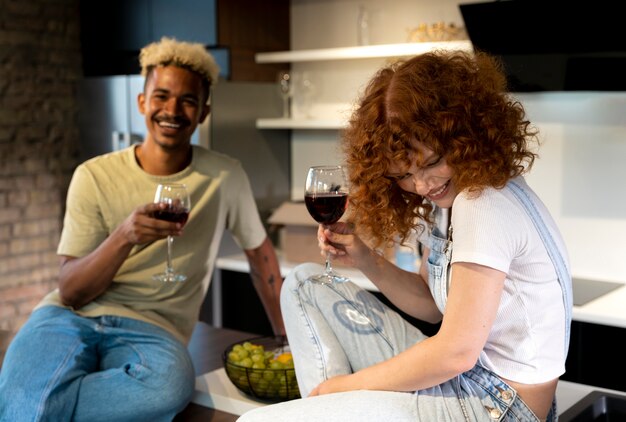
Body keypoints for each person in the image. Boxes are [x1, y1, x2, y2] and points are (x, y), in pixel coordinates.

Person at [238, 50, 572, 422]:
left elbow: (455, 352)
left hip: (498, 408)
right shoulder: (451, 196)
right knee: (303, 284)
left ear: (463, 133)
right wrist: (365, 257)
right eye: (402, 174)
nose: (421, 184)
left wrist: (348, 387)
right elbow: (431, 305)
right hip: (470, 381)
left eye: (430, 164)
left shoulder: (483, 203)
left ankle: (322, 407)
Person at [0, 37, 285, 421]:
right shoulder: (93, 175)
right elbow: (70, 290)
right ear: (141, 102)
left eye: (188, 100)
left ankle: (43, 401)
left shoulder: (224, 175)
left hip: (153, 329)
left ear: (204, 113)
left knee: (169, 387)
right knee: (21, 390)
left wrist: (288, 341)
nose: (172, 109)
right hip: (68, 317)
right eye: (162, 96)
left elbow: (261, 255)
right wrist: (124, 236)